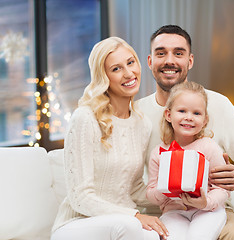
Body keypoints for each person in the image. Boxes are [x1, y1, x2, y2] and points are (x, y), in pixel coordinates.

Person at [136, 25, 234, 239]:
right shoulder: (136, 113)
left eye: (178, 53)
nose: (169, 60)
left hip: (211, 206)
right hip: (158, 210)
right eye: (161, 53)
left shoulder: (219, 105)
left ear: (190, 61)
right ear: (150, 61)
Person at [51, 36, 169, 240]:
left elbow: (134, 188)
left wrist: (174, 197)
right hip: (77, 224)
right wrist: (135, 216)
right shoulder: (85, 118)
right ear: (103, 77)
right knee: (131, 227)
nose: (129, 73)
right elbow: (80, 198)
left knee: (154, 234)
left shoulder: (142, 124)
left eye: (130, 63)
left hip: (123, 222)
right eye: (116, 69)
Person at [147, 81, 229, 240]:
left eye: (196, 113)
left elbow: (223, 189)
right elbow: (150, 192)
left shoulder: (209, 147)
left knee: (198, 236)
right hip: (173, 212)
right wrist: (165, 187)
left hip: (207, 210)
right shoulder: (159, 153)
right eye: (182, 111)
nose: (189, 118)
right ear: (169, 115)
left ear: (205, 120)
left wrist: (206, 202)